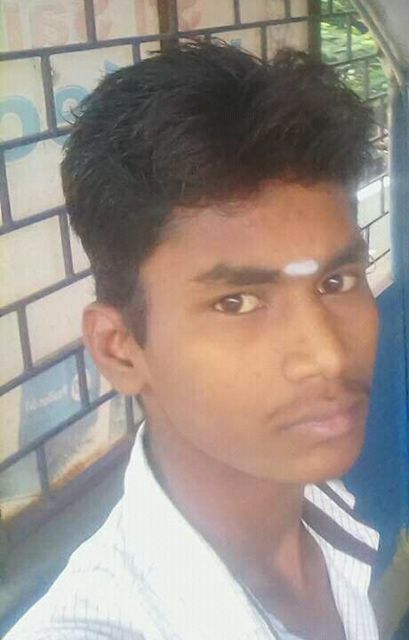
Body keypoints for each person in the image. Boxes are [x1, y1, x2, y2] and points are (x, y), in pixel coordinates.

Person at [8, 40, 381, 640]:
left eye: (337, 282)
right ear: (120, 349)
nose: (329, 356)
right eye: (238, 302)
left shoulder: (324, 510)